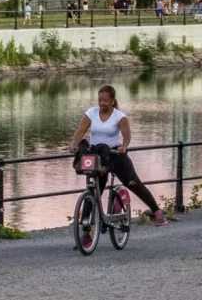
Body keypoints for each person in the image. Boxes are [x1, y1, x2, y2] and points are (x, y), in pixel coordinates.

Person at [70, 85, 168, 227]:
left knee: (133, 183)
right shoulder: (91, 112)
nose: (102, 103)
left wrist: (124, 146)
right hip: (98, 156)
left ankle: (156, 212)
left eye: (105, 101)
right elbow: (81, 130)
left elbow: (126, 134)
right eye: (100, 100)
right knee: (94, 189)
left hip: (115, 154)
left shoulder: (119, 116)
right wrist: (74, 144)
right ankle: (85, 223)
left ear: (112, 101)